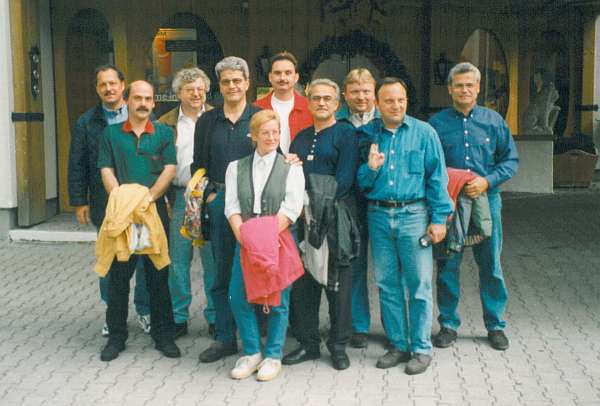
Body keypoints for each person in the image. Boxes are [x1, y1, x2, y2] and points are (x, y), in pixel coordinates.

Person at [357, 77, 453, 375]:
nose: (395, 105)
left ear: (406, 101)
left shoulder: (425, 133)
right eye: (388, 100)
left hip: (415, 216)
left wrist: (439, 219)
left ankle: (421, 348)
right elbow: (360, 183)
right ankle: (398, 344)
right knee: (387, 284)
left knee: (419, 285)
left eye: (400, 100)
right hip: (380, 216)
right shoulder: (367, 135)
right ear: (377, 102)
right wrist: (370, 168)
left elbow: (438, 179)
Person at [429, 62, 518, 351]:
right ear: (450, 89)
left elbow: (510, 161)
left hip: (486, 202)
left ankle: (495, 325)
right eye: (459, 85)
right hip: (451, 205)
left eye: (470, 85)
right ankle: (448, 325)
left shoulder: (494, 122)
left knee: (490, 265)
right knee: (447, 265)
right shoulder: (437, 124)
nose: (464, 90)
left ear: (478, 88)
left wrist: (489, 181)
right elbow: (430, 164)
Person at [96, 80, 180, 361]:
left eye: (148, 99)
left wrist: (147, 199)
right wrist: (122, 200)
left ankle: (163, 335)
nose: (143, 103)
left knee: (158, 276)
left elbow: (170, 169)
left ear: (154, 102)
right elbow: (106, 169)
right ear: (128, 100)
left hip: (152, 215)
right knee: (119, 278)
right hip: (123, 216)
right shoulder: (111, 134)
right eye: (137, 98)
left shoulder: (164, 133)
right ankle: (117, 338)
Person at [67, 64, 150, 337]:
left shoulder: (142, 113)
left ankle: (144, 310)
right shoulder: (87, 122)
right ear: (97, 89)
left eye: (113, 83)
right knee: (110, 258)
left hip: (138, 204)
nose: (109, 89)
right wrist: (80, 201)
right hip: (107, 205)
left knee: (140, 254)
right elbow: (77, 163)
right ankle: (112, 314)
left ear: (122, 85)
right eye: (103, 85)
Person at [282, 79, 359, 371]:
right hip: (302, 219)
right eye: (316, 98)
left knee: (337, 285)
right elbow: (291, 178)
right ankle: (308, 343)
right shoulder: (300, 138)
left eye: (328, 98)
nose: (322, 103)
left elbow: (344, 179)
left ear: (337, 104)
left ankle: (338, 346)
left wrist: (314, 205)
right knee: (304, 284)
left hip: (335, 219)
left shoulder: (345, 134)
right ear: (309, 102)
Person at [225, 110, 305, 381]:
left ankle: (273, 355)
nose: (271, 137)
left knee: (278, 300)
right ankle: (251, 352)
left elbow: (292, 208)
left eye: (275, 132)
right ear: (253, 136)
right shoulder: (235, 167)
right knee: (239, 295)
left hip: (277, 239)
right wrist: (245, 235)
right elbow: (232, 206)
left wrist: (264, 236)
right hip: (245, 238)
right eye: (265, 132)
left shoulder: (292, 167)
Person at [191, 56, 261, 363]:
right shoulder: (207, 121)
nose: (232, 86)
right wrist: (207, 197)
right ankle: (224, 338)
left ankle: (255, 336)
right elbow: (198, 164)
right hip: (218, 204)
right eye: (226, 81)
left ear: (247, 83)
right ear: (219, 87)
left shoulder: (260, 117)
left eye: (237, 80)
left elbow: (274, 156)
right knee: (220, 274)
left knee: (253, 272)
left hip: (254, 206)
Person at [158, 67, 217, 339]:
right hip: (179, 198)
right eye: (189, 89)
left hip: (210, 197)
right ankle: (179, 317)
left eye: (200, 88)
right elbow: (158, 163)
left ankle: (216, 316)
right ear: (178, 93)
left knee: (212, 261)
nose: (196, 93)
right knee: (178, 262)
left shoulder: (217, 117)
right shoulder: (165, 123)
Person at [336, 68, 380, 349]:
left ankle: (398, 328)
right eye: (355, 91)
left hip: (381, 202)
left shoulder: (385, 122)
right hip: (351, 203)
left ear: (374, 92)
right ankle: (358, 325)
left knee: (390, 268)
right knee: (355, 265)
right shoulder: (339, 124)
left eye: (366, 91)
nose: (361, 97)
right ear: (345, 95)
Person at [254, 51, 312, 153]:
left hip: (301, 166)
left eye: (288, 73)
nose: (282, 78)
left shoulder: (310, 107)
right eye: (277, 73)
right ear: (270, 77)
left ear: (296, 77)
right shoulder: (256, 108)